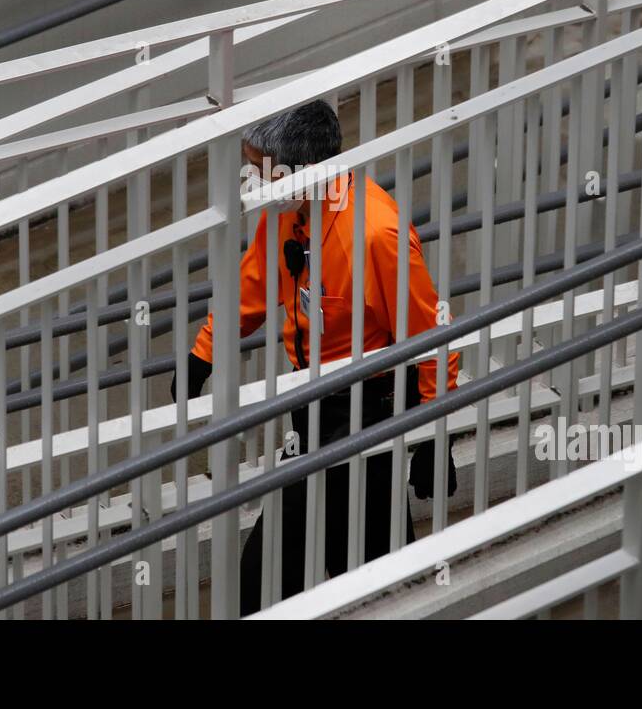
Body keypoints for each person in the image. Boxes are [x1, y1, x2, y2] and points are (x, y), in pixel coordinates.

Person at [172, 99, 459, 615]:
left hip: (369, 410)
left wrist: (435, 436)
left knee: (362, 566)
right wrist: (204, 353)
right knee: (322, 565)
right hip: (312, 408)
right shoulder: (289, 215)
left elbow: (430, 332)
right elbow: (253, 285)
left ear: (300, 172)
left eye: (261, 170)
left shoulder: (377, 232)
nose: (251, 182)